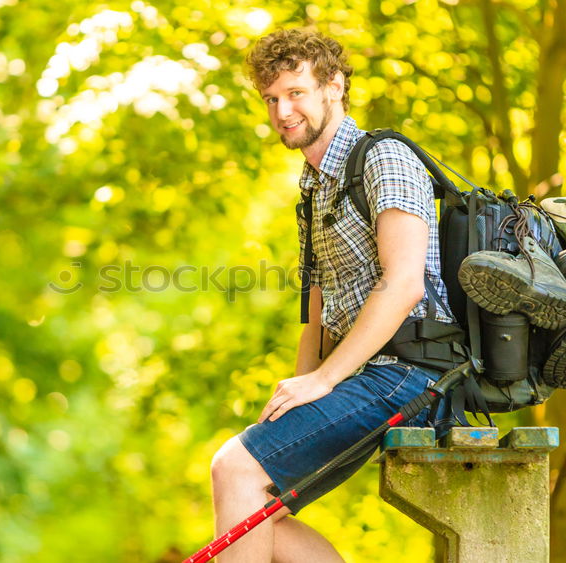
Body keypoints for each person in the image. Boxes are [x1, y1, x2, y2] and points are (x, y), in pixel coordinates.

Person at [207, 28, 456, 562]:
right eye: (271, 99)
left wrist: (324, 379)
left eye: (295, 92)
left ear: (334, 87)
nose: (282, 111)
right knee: (255, 510)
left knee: (233, 467)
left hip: (416, 374)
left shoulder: (383, 158)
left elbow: (404, 283)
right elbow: (316, 312)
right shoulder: (314, 184)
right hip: (367, 374)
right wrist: (293, 394)